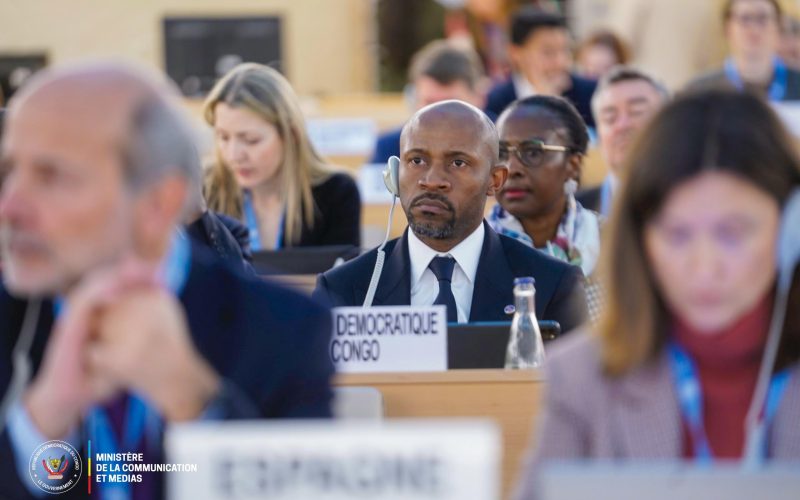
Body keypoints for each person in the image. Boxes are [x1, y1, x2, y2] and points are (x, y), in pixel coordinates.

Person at [0, 63, 333, 499]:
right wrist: (40, 424)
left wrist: (194, 404)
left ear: (159, 202)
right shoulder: (13, 317)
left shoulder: (285, 329)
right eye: (8, 172)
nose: (10, 207)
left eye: (51, 176)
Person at [512, 89, 800, 500]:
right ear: (641, 240)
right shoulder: (579, 379)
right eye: (677, 235)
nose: (704, 266)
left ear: (791, 231)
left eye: (732, 233)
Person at [314, 100, 588, 333]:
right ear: (395, 174)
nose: (432, 181)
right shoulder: (343, 289)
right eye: (417, 161)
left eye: (458, 163)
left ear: (495, 180)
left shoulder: (552, 285)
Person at [204, 63, 361, 250]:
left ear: (291, 135)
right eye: (223, 137)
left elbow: (345, 267)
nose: (233, 155)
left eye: (251, 140)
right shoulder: (202, 191)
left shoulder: (336, 193)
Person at [488, 95, 603, 321]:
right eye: (501, 153)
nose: (512, 168)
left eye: (532, 152)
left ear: (572, 165)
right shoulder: (472, 250)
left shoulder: (613, 242)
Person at [370, 39, 488, 164]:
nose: (440, 115)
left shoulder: (500, 142)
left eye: (451, 104)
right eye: (430, 104)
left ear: (479, 97)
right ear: (414, 101)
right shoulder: (390, 149)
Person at [577, 66, 668, 216]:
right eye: (610, 118)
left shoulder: (694, 203)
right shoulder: (572, 215)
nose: (622, 125)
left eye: (636, 112)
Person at [485, 7, 597, 128]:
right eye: (548, 52)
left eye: (565, 50)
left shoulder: (589, 93)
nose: (561, 62)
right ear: (516, 54)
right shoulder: (498, 102)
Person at [688, 0, 800, 101]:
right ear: (727, 28)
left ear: (779, 26)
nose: (754, 29)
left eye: (762, 18)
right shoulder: (700, 91)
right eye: (745, 19)